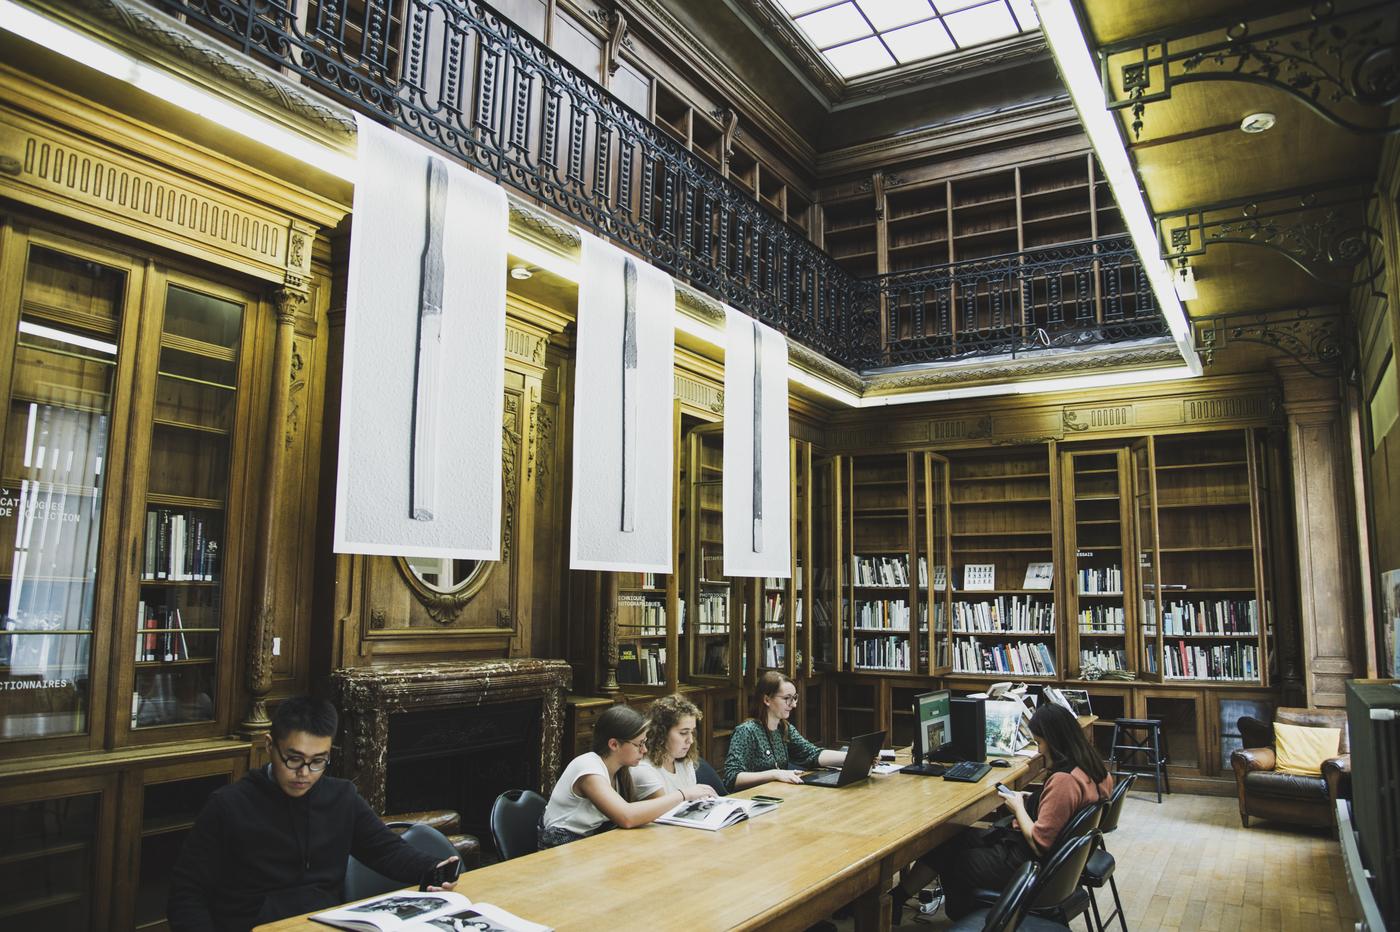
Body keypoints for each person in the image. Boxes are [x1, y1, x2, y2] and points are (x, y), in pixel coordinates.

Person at [167, 696, 457, 932]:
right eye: (293, 759)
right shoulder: (228, 805)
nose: (304, 774)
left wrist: (433, 869)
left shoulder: (342, 796)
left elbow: (385, 850)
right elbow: (186, 895)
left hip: (325, 923)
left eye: (318, 761)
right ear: (270, 746)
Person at [889, 702, 1113, 922]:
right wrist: (1032, 800)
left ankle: (968, 919)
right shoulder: (1097, 771)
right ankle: (896, 900)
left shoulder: (1064, 782)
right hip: (1047, 861)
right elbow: (1062, 809)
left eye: (1040, 742)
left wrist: (1017, 808)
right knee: (947, 840)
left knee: (954, 859)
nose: (1039, 749)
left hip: (1026, 863)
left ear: (1054, 741)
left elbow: (1039, 842)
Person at [538, 704, 715, 848]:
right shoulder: (588, 767)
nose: (644, 750)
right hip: (560, 848)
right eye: (639, 744)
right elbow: (627, 817)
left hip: (590, 844)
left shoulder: (622, 771)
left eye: (645, 743)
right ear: (614, 744)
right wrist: (684, 795)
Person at [722, 670, 845, 791]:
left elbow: (811, 754)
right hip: (752, 801)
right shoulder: (746, 731)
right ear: (767, 700)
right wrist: (775, 774)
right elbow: (731, 778)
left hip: (777, 796)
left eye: (794, 698)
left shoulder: (784, 728)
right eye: (787, 698)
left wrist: (848, 757)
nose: (793, 705)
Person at [628, 693, 704, 800]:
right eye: (683, 733)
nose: (690, 740)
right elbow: (666, 812)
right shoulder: (643, 769)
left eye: (692, 732)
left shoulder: (685, 762)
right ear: (661, 734)